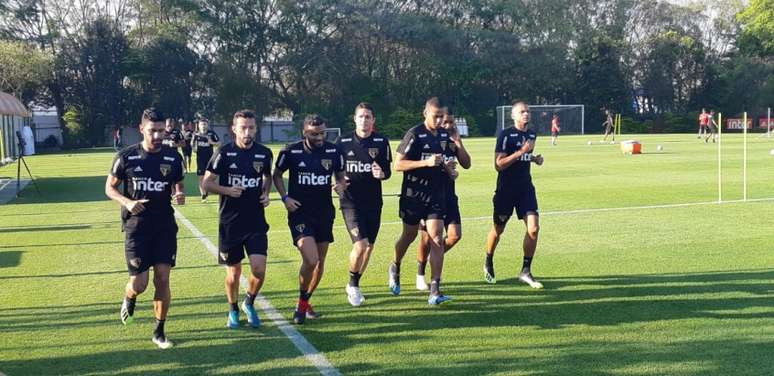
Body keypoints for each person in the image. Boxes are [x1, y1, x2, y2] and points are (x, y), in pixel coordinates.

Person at [105, 107, 185, 349]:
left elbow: (178, 183)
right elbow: (109, 188)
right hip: (136, 229)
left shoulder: (173, 157)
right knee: (140, 284)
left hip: (164, 227)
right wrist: (128, 202)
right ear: (142, 129)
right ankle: (129, 296)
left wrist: (180, 193)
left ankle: (159, 331)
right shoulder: (126, 157)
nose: (158, 136)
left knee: (162, 278)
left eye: (161, 131)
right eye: (153, 131)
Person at [273, 114, 347, 324]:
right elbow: (277, 175)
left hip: (324, 212)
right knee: (311, 259)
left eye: (322, 132)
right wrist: (285, 197)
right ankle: (302, 304)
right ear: (304, 132)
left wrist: (340, 186)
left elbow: (341, 177)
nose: (320, 137)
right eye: (314, 134)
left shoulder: (334, 151)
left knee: (319, 263)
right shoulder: (291, 151)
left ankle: (303, 303)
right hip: (300, 213)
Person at [203, 110, 273, 329]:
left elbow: (268, 177)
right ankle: (233, 308)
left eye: (251, 127)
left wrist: (265, 192)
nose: (247, 132)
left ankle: (249, 302)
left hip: (255, 221)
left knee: (259, 269)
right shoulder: (223, 153)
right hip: (230, 223)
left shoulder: (264, 153)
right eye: (243, 127)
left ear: (256, 128)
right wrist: (226, 189)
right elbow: (206, 183)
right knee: (234, 273)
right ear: (234, 129)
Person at [390, 97, 455, 305]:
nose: (438, 120)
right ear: (425, 113)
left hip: (436, 195)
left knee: (436, 238)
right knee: (408, 236)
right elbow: (398, 165)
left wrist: (449, 169)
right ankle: (396, 265)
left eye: (441, 117)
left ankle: (435, 289)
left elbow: (445, 161)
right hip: (413, 195)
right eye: (435, 116)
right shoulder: (414, 134)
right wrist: (425, 162)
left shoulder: (445, 135)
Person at [484, 101, 545, 289]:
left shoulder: (532, 133)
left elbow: (525, 157)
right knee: (499, 229)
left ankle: (525, 271)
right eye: (522, 112)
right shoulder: (505, 135)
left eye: (527, 111)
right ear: (513, 115)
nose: (526, 114)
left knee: (533, 229)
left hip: (525, 188)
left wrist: (534, 158)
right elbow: (498, 164)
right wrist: (521, 152)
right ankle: (488, 260)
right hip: (506, 190)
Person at [336, 102, 392, 306]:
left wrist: (382, 174)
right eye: (361, 116)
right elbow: (333, 167)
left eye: (368, 117)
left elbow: (387, 171)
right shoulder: (342, 142)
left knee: (369, 247)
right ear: (355, 119)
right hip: (350, 202)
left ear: (373, 120)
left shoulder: (382, 141)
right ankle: (353, 285)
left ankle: (355, 283)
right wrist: (338, 182)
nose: (364, 120)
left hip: (374, 202)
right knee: (360, 245)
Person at [415, 108, 471, 291]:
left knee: (455, 236)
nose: (447, 125)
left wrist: (458, 142)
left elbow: (466, 164)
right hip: (428, 196)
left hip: (449, 196)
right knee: (426, 238)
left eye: (451, 123)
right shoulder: (430, 140)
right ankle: (421, 273)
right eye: (445, 122)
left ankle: (434, 256)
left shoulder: (451, 142)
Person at [192, 119, 220, 202]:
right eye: (202, 124)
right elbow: (192, 146)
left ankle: (212, 191)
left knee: (211, 177)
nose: (203, 126)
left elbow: (219, 143)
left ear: (207, 125)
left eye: (205, 124)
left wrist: (212, 142)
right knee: (201, 177)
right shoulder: (195, 134)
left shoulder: (211, 133)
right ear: (199, 125)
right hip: (200, 159)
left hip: (210, 159)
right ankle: (204, 195)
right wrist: (194, 149)